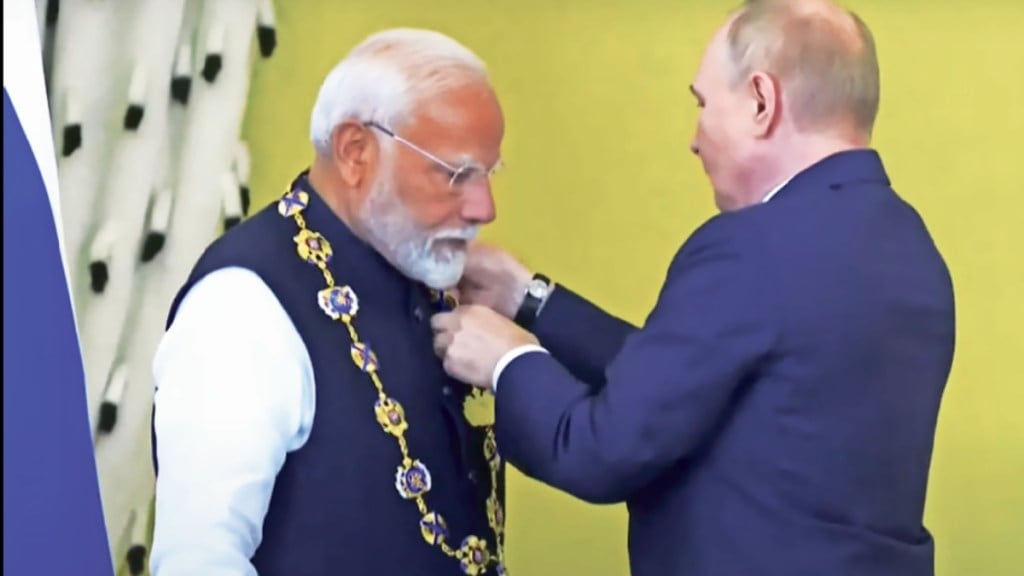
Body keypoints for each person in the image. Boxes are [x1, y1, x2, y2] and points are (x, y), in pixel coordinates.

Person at [431, 1, 956, 575]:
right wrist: (530, 299)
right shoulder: (909, 246)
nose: (694, 140)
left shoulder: (752, 247)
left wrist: (507, 361)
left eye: (703, 104)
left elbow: (599, 450)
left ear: (762, 102)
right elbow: (689, 383)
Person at [149, 28, 509, 576]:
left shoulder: (421, 277)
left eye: (488, 174)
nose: (484, 208)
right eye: (456, 174)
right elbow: (198, 562)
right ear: (355, 152)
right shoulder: (241, 306)